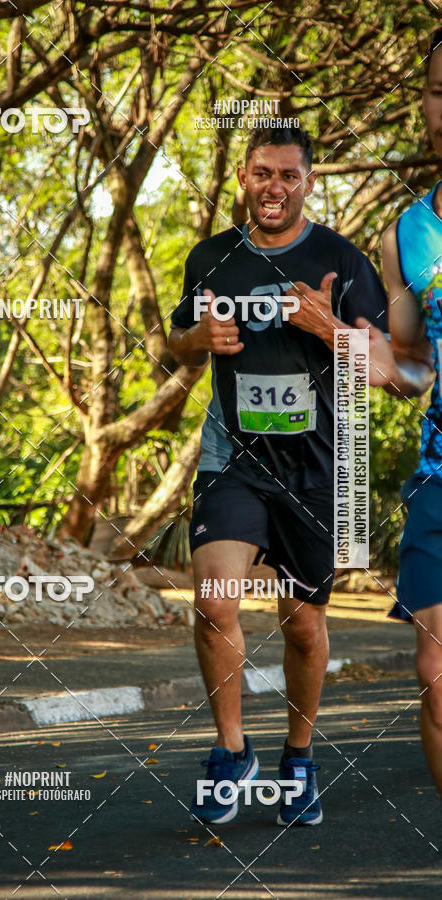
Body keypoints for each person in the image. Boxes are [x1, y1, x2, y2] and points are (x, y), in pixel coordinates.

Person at [168, 125, 390, 827]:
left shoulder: (341, 259)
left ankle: (298, 756)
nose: (274, 187)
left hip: (318, 471)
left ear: (309, 183)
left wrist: (329, 327)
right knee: (215, 601)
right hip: (233, 459)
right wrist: (196, 341)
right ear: (242, 176)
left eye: (289, 176)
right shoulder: (211, 257)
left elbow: (391, 372)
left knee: (301, 627)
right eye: (262, 173)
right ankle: (232, 754)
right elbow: (172, 342)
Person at [367, 27, 442, 797]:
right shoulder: (406, 233)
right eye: (439, 90)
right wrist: (358, 349)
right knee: (434, 673)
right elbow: (414, 360)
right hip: (440, 472)